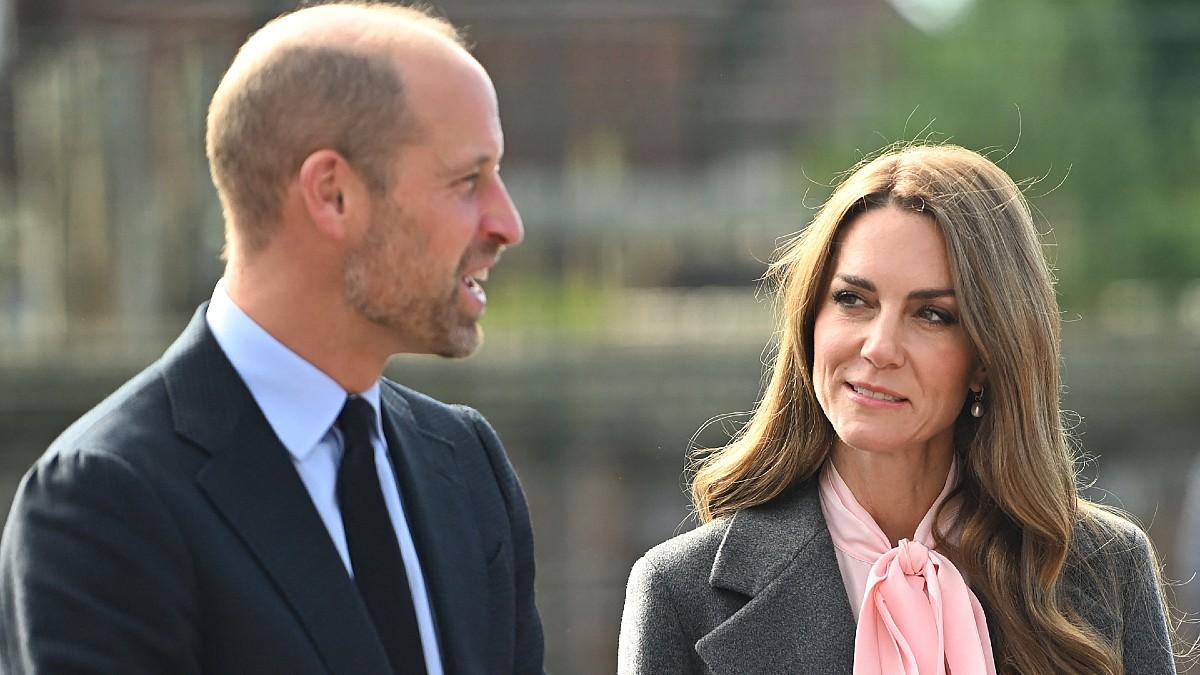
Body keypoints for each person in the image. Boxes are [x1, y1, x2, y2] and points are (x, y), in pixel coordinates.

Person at [0, 3, 543, 674]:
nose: (507, 222)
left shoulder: (464, 466)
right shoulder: (104, 500)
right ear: (332, 194)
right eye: (468, 180)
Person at [618, 144, 1175, 674]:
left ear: (988, 355)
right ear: (811, 319)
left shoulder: (1103, 568)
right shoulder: (679, 592)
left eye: (932, 314)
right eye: (853, 300)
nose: (879, 347)